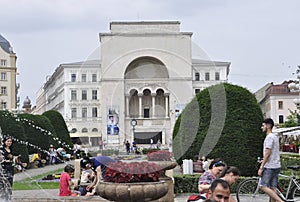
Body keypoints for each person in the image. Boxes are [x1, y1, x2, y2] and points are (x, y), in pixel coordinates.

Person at [258, 118, 283, 202]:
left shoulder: (269, 137)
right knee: (273, 188)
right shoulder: (275, 137)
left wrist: (261, 167)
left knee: (263, 186)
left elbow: (268, 153)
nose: (261, 127)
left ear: (268, 126)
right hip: (276, 165)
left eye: (263, 125)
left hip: (270, 166)